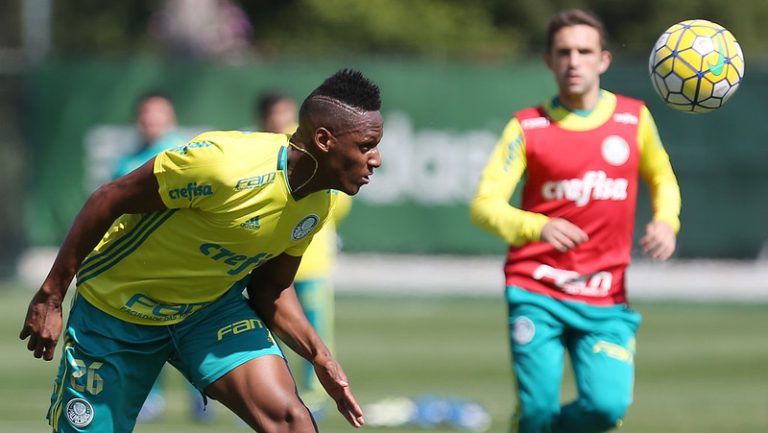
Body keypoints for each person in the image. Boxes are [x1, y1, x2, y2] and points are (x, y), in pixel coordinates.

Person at [20, 68, 383, 433]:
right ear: (324, 140)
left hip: (207, 314)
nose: (376, 159)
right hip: (117, 312)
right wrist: (51, 295)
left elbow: (268, 288)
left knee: (291, 422)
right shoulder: (224, 166)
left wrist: (319, 356)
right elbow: (107, 199)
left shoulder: (318, 204)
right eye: (366, 146)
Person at [470, 9, 680, 433]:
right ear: (549, 60)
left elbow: (662, 177)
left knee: (606, 408)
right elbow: (485, 205)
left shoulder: (633, 119)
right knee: (538, 413)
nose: (574, 61)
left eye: (584, 51)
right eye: (563, 52)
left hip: (605, 294)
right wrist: (538, 226)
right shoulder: (527, 127)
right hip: (537, 288)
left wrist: (666, 221)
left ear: (603, 60)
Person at [114, 92, 211, 423]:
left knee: (191, 333)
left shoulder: (187, 154)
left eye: (157, 115)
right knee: (145, 333)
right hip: (142, 269)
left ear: (170, 118)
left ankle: (201, 393)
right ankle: (150, 397)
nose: (150, 121)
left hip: (187, 266)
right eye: (145, 115)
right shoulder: (126, 163)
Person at [257, 91, 353, 417]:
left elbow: (340, 200)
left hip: (312, 265)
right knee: (271, 335)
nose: (282, 121)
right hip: (268, 264)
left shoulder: (312, 149)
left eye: (287, 113)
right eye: (275, 114)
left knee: (316, 334)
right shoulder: (257, 153)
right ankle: (276, 395)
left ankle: (316, 397)